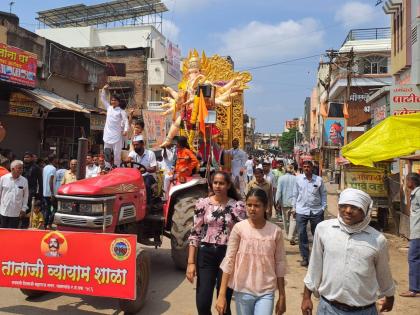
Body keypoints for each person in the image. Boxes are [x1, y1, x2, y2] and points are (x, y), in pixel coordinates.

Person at [302, 188, 395, 315]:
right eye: (343, 206)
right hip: (328, 308)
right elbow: (315, 266)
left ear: (366, 211)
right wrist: (306, 297)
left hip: (364, 311)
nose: (348, 211)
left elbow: (383, 272)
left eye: (355, 207)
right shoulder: (324, 229)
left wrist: (390, 297)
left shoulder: (378, 240)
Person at [216, 188, 287, 315]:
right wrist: (221, 295)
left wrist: (282, 296)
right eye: (249, 205)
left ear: (265, 207)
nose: (252, 209)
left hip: (266, 290)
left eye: (256, 205)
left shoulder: (275, 231)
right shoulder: (239, 229)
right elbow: (229, 260)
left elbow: (280, 263)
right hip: (243, 289)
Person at [186, 171, 246, 315]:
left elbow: (244, 233)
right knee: (202, 303)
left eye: (222, 183)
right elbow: (195, 233)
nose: (218, 186)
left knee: (223, 304)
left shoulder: (237, 206)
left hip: (228, 256)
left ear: (228, 185)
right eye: (215, 183)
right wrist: (191, 262)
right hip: (205, 255)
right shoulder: (202, 204)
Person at [293, 160, 327, 267]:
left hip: (316, 211)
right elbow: (295, 194)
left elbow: (324, 194)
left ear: (312, 168)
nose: (306, 168)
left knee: (317, 234)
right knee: (302, 233)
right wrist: (294, 208)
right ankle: (305, 257)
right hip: (301, 210)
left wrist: (323, 207)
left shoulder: (319, 179)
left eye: (308, 166)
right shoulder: (298, 179)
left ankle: (318, 257)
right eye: (304, 166)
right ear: (302, 168)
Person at [400, 172, 420, 297]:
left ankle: (414, 289)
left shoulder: (418, 193)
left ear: (412, 182)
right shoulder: (415, 194)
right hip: (416, 232)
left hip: (418, 233)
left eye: (407, 180)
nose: (406, 183)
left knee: (413, 259)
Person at [101, 84, 129, 167]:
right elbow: (103, 99)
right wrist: (103, 89)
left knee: (117, 153)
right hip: (107, 134)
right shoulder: (109, 108)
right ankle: (107, 167)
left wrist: (125, 130)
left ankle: (116, 166)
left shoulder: (121, 111)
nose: (113, 102)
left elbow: (126, 121)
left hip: (117, 135)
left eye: (115, 100)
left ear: (118, 102)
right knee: (107, 152)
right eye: (112, 100)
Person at [128, 135, 157, 205]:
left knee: (145, 184)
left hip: (148, 175)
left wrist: (145, 169)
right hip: (136, 177)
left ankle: (148, 204)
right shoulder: (133, 153)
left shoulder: (150, 153)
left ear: (142, 144)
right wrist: (128, 161)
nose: (135, 147)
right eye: (134, 145)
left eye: (137, 145)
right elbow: (129, 159)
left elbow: (154, 169)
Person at [0, 160, 29, 228]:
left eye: (22, 168)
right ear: (12, 169)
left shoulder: (24, 181)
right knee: (3, 233)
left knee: (13, 233)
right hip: (3, 211)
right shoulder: (3, 178)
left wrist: (24, 209)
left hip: (16, 213)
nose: (21, 170)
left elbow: (26, 196)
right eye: (19, 168)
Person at [276, 164, 298, 245]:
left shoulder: (281, 178)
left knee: (286, 220)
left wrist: (277, 202)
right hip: (294, 203)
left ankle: (288, 234)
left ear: (285, 170)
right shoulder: (296, 178)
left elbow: (279, 191)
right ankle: (291, 236)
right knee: (293, 220)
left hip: (284, 202)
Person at [22, 152, 43, 228]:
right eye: (25, 157)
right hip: (22, 192)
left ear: (31, 158)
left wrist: (40, 196)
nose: (26, 159)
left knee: (29, 211)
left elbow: (40, 182)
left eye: (28, 157)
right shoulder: (22, 167)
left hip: (31, 193)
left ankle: (27, 227)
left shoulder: (36, 168)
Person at [42, 154, 58, 229]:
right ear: (54, 159)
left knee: (47, 209)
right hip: (51, 193)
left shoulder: (45, 167)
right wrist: (52, 193)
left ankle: (45, 224)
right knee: (55, 208)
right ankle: (49, 223)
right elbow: (51, 181)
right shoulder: (53, 168)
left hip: (45, 192)